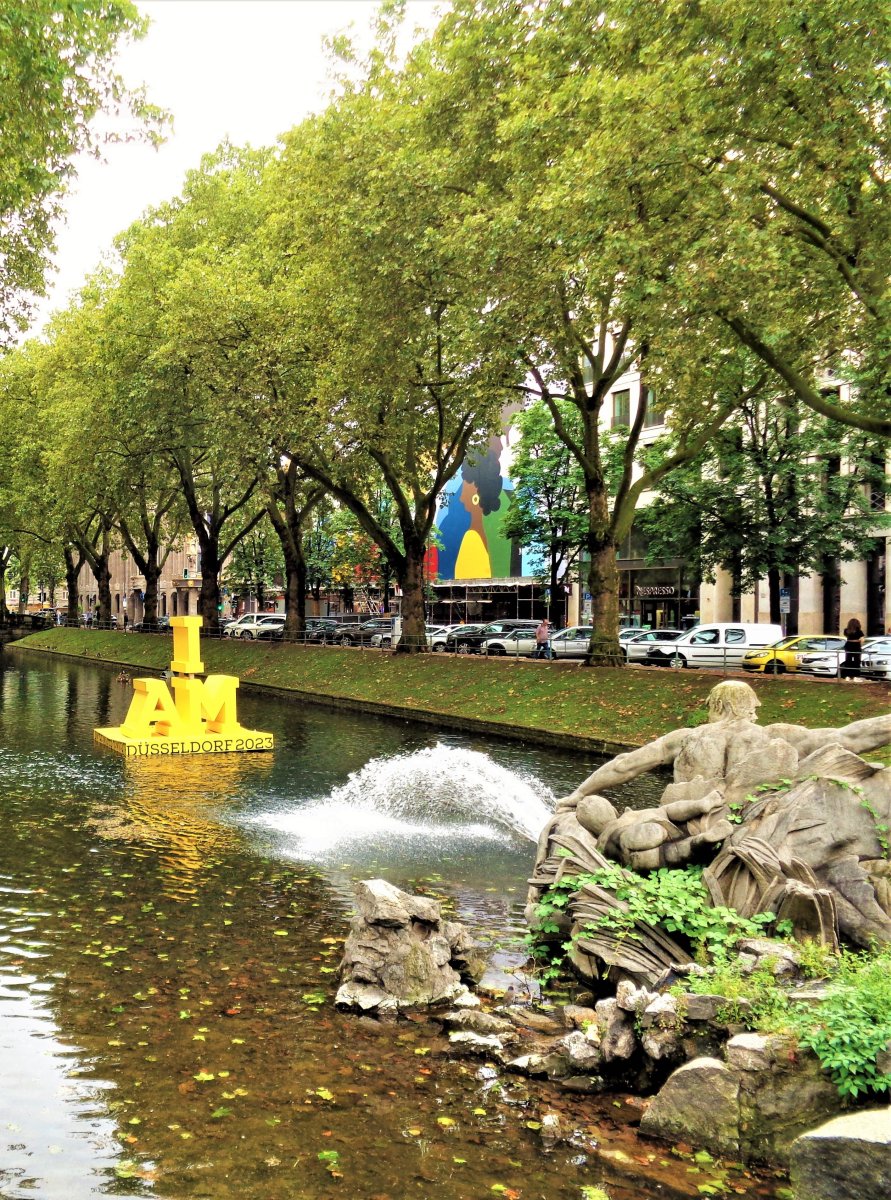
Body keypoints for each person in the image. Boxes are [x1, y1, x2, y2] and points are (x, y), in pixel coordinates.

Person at [561, 679, 891, 806]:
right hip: (753, 825)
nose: (759, 707)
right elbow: (850, 736)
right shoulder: (774, 735)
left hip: (688, 821)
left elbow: (625, 765)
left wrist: (578, 794)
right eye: (754, 702)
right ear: (745, 705)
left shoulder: (685, 738)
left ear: (714, 706)